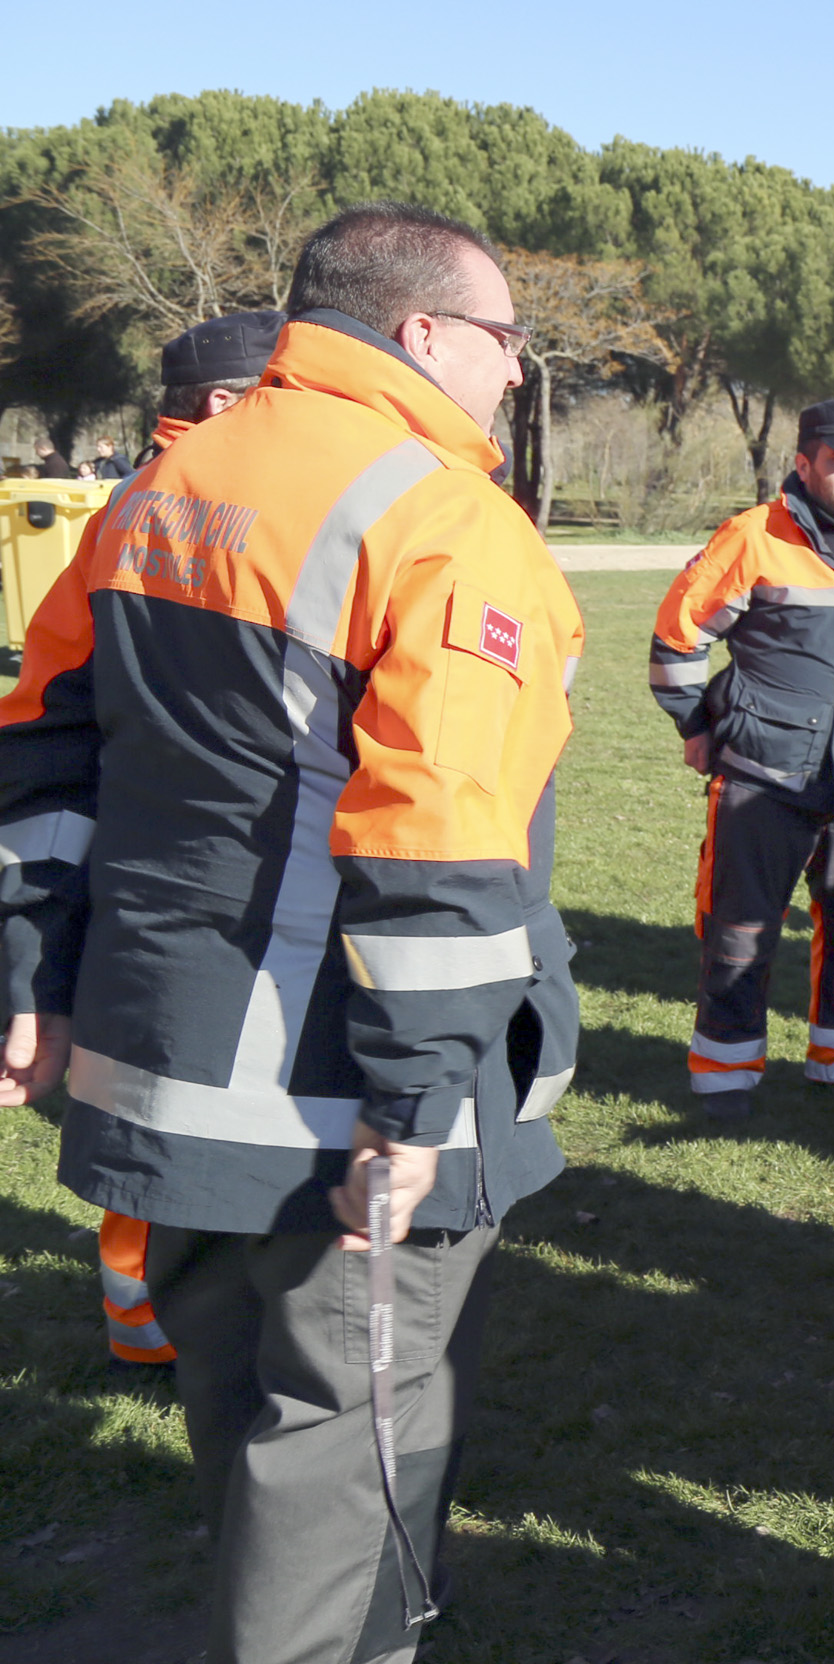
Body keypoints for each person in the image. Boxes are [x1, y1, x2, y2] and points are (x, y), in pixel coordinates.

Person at [0, 200, 586, 1664]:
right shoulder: (446, 521)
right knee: (341, 1450)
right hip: (340, 1086)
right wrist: (413, 1099)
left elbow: (43, 754)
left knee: (248, 1424)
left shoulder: (162, 488)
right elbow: (442, 841)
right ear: (425, 333)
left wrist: (33, 976)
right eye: (510, 341)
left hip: (159, 1061)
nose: (519, 373)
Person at [89, 305, 288, 1376]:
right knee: (157, 1097)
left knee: (156, 1092)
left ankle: (148, 1309)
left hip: (154, 852)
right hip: (180, 859)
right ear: (221, 403)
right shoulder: (179, 505)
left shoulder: (144, 504)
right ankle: (153, 1314)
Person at [649, 397, 834, 1120]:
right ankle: (724, 1073)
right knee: (739, 929)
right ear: (804, 463)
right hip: (764, 777)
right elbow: (680, 638)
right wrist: (695, 726)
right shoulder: (753, 537)